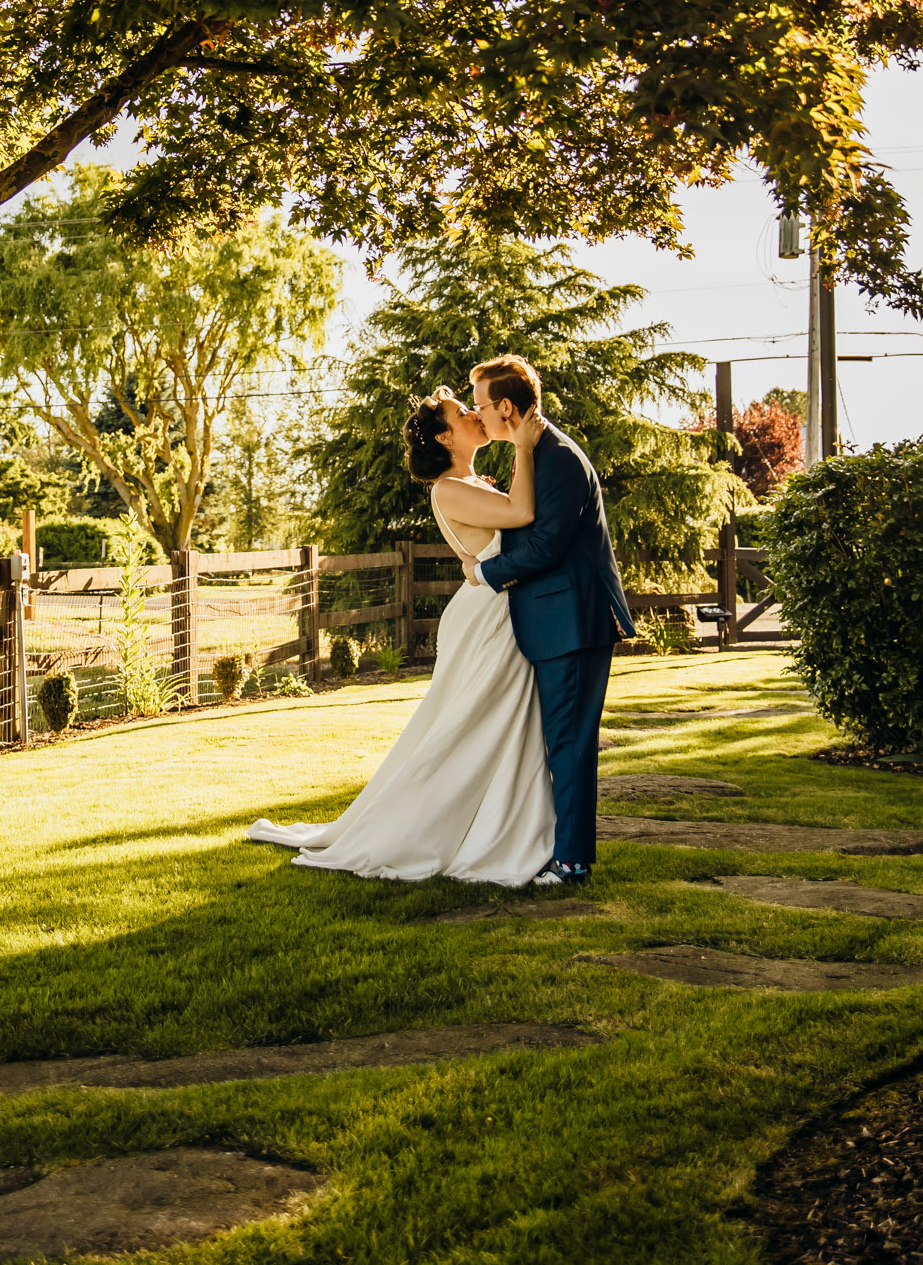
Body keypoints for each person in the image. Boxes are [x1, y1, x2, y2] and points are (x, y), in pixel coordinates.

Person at [244, 384, 557, 885]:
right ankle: (446, 825)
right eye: (463, 413)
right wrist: (523, 442)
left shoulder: (475, 479)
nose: (477, 416)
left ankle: (503, 817)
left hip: (500, 605)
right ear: (444, 436)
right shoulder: (448, 488)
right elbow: (522, 515)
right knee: (470, 722)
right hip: (488, 615)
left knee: (497, 719)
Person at [463, 355, 635, 891]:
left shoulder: (556, 457)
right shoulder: (532, 450)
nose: (478, 415)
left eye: (481, 406)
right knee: (558, 739)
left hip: (574, 621)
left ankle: (573, 862)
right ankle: (553, 848)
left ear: (506, 407)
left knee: (570, 742)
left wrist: (483, 571)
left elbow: (546, 545)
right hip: (556, 621)